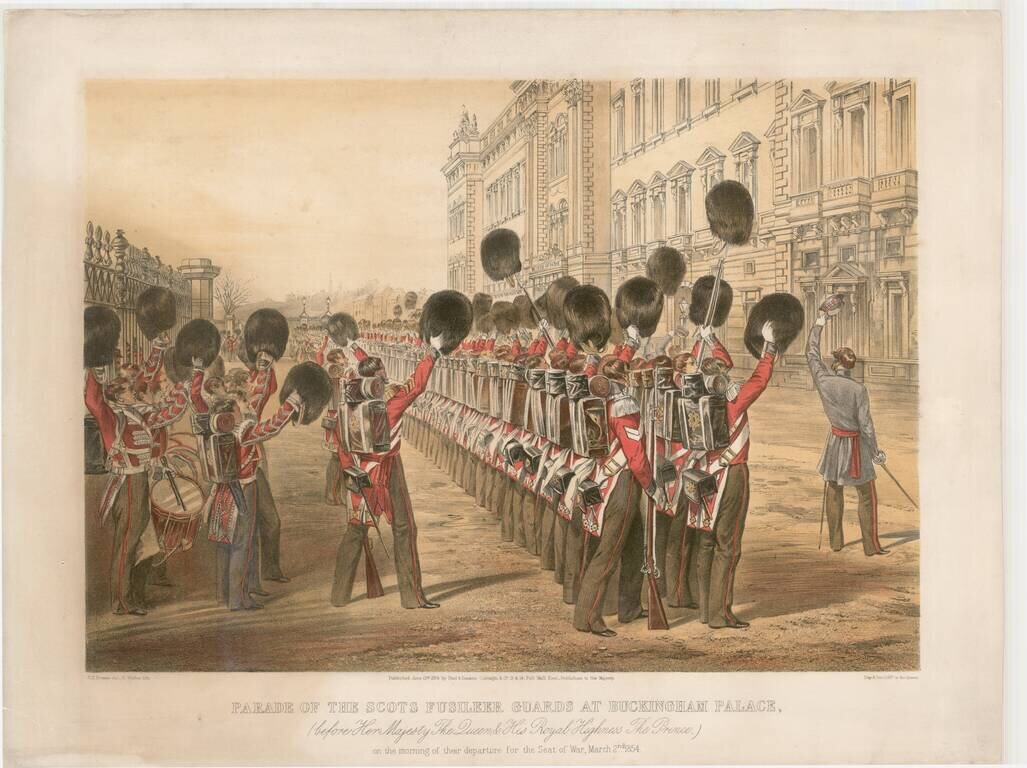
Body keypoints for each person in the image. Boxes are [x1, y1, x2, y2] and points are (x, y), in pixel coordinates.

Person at [330, 334, 446, 609]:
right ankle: (411, 597)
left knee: (356, 531)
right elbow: (416, 386)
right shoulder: (389, 406)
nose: (387, 379)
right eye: (383, 376)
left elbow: (339, 441)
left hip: (359, 471)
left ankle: (339, 595)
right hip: (387, 470)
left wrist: (350, 470)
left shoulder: (347, 405)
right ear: (378, 381)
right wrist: (433, 353)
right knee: (405, 529)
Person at [85, 358, 199, 615]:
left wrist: (184, 382)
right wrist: (94, 364)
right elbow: (93, 400)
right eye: (130, 390)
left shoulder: (139, 414)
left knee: (140, 544)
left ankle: (132, 597)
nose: (138, 392)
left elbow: (172, 412)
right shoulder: (112, 417)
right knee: (126, 544)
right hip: (127, 483)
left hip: (140, 482)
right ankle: (121, 601)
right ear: (119, 395)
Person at [807, 307, 889, 556]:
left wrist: (819, 324)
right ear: (850, 367)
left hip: (835, 442)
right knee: (866, 495)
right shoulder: (858, 389)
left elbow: (811, 353)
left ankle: (836, 543)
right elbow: (866, 426)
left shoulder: (824, 380)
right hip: (856, 447)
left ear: (835, 364)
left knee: (834, 490)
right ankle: (871, 546)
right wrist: (876, 452)